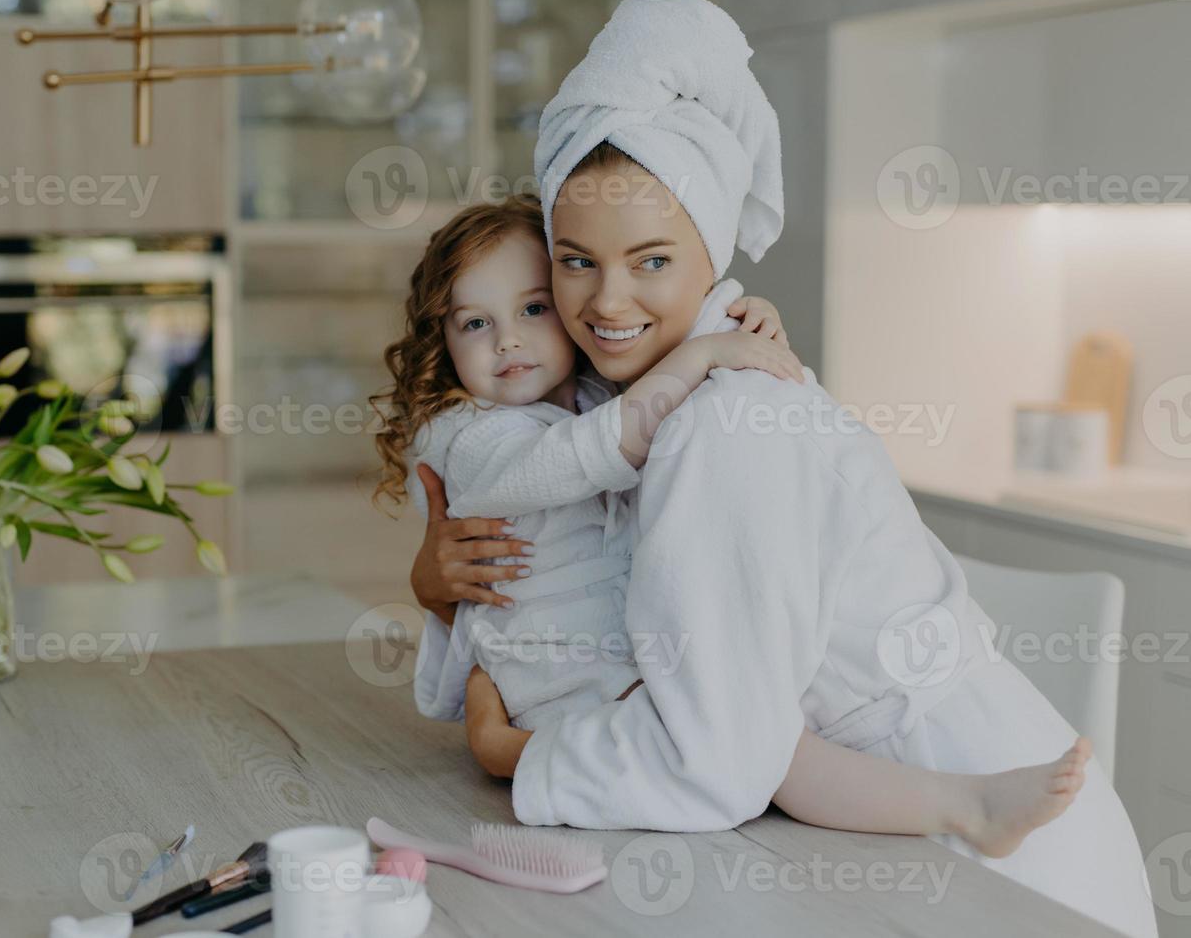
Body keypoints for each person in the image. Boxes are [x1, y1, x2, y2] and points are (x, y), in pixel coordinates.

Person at [406, 0, 1157, 938]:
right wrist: (439, 587)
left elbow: (716, 763)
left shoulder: (722, 428)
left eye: (652, 260)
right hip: (849, 834)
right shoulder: (637, 395)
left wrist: (515, 749)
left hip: (997, 873)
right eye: (574, 262)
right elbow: (561, 520)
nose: (606, 301)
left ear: (711, 253)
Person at [376, 193, 1095, 866]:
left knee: (771, 755)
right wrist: (704, 355)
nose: (508, 342)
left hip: (630, 667)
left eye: (533, 308)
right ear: (441, 340)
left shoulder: (599, 396)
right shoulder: (464, 437)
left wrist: (735, 325)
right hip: (573, 675)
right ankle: (964, 807)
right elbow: (579, 458)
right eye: (476, 323)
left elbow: (647, 396)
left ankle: (966, 806)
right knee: (764, 758)